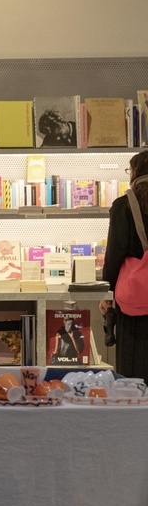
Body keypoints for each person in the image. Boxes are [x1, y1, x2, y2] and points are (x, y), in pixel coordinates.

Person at [100, 150, 148, 379]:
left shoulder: (124, 206)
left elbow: (114, 255)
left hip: (134, 303)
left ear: (135, 173)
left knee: (133, 369)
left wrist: (106, 292)